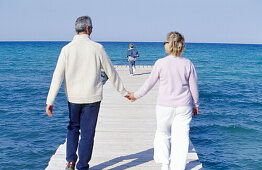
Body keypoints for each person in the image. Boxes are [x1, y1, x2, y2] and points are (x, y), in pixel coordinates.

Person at [45, 16, 128, 170]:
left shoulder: (66, 49)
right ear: (88, 29)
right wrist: (123, 92)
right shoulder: (97, 48)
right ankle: (82, 165)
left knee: (73, 127)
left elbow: (57, 76)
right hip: (92, 97)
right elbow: (111, 72)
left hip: (73, 97)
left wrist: (50, 101)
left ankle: (70, 162)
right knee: (88, 133)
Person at [127, 32, 199, 170]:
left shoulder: (161, 63)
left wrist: (135, 95)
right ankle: (178, 167)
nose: (164, 44)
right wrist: (195, 105)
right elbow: (194, 87)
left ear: (170, 44)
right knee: (182, 137)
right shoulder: (188, 64)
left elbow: (149, 84)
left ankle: (165, 164)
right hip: (183, 106)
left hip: (164, 106)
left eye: (165, 42)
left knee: (162, 134)